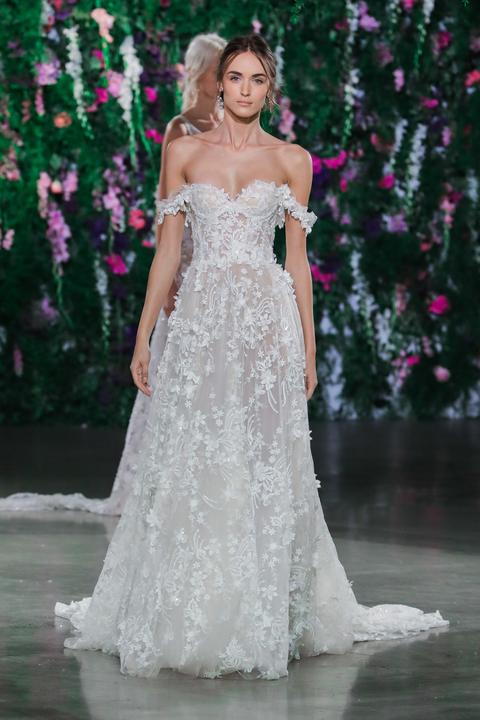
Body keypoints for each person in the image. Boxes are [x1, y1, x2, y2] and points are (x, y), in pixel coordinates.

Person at [54, 34, 449, 681]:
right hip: (200, 323)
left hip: (266, 327)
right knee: (194, 455)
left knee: (265, 463)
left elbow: (297, 263)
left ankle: (268, 612)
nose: (243, 89)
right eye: (234, 77)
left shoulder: (293, 160)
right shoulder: (183, 153)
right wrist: (144, 335)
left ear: (270, 89)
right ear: (219, 82)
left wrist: (309, 347)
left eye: (256, 79)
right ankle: (190, 608)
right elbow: (166, 253)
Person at [0, 32, 226, 515]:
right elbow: (168, 209)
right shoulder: (181, 128)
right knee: (180, 376)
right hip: (188, 266)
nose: (226, 76)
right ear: (201, 72)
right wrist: (173, 281)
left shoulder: (235, 126)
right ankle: (166, 483)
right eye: (219, 67)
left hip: (225, 269)